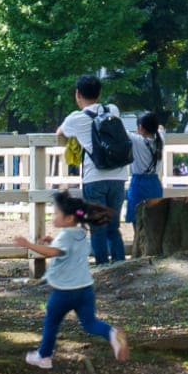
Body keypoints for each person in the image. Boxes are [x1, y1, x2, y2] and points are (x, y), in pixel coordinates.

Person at [7, 191, 131, 368]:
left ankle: (44, 356)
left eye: (56, 213)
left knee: (51, 322)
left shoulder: (65, 236)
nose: (53, 216)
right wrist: (53, 241)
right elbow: (67, 251)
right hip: (85, 288)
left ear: (69, 218)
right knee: (90, 323)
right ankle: (111, 333)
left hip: (65, 291)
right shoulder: (81, 232)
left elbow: (54, 252)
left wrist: (28, 244)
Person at [57, 75, 134, 264]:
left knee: (97, 226)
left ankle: (101, 265)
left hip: (94, 178)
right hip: (118, 176)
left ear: (77, 94)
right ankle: (118, 263)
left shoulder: (75, 119)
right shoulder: (112, 110)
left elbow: (60, 134)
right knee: (113, 226)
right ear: (99, 93)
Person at [124, 111, 166, 249]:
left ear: (140, 127)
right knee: (154, 217)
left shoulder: (136, 140)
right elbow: (161, 128)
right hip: (154, 182)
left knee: (136, 218)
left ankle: (139, 247)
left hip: (138, 183)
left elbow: (120, 131)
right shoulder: (161, 138)